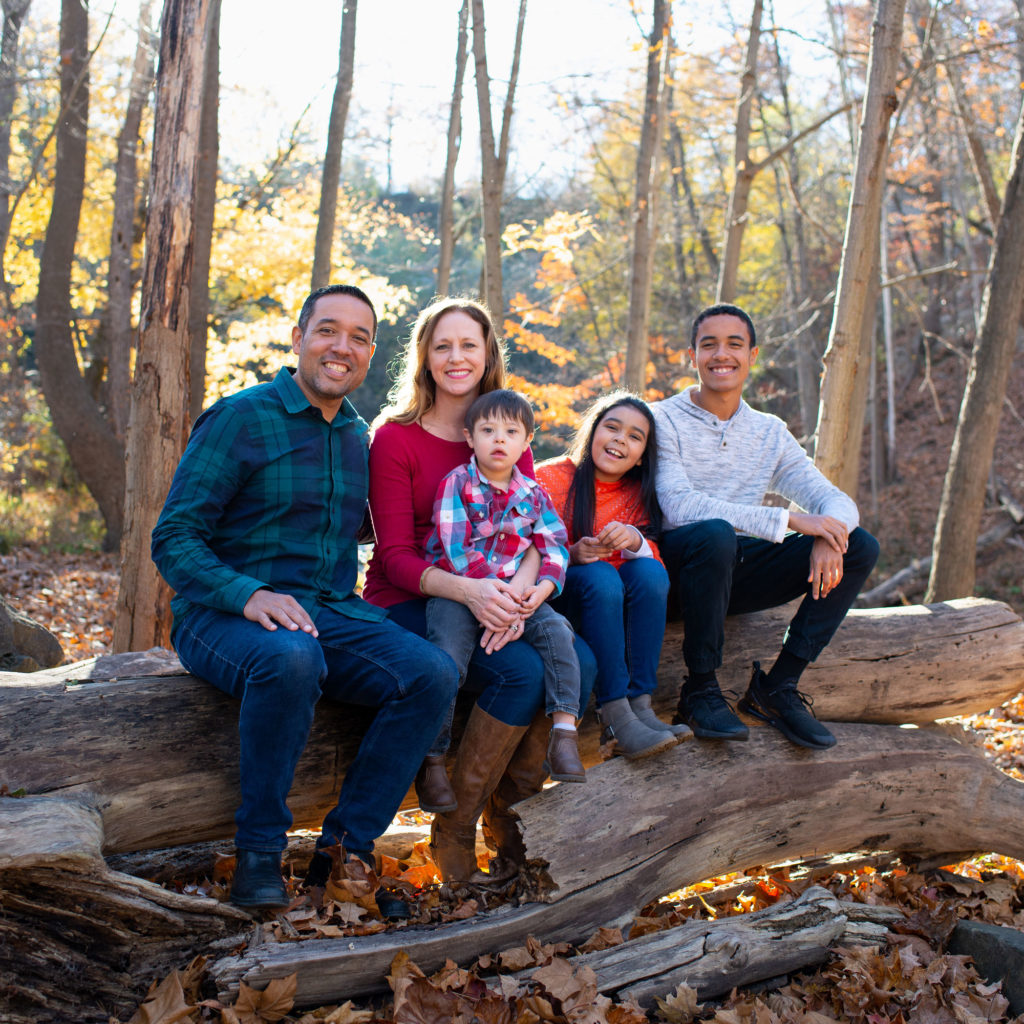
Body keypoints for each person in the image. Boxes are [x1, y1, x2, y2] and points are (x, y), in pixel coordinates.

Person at [151, 284, 458, 912]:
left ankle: (344, 851)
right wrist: (247, 592)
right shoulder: (242, 417)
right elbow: (174, 537)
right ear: (298, 339)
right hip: (222, 612)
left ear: (372, 354)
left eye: (360, 337)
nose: (342, 346)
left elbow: (373, 526)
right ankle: (259, 853)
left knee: (430, 672)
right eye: (328, 330)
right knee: (291, 658)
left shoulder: (355, 435)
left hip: (325, 608)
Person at [364, 297, 594, 884]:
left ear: (488, 353)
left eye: (469, 344)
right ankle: (455, 823)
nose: (457, 357)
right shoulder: (396, 437)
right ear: (425, 357)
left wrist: (519, 594)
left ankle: (509, 816)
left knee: (581, 661)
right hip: (414, 595)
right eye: (443, 345)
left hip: (499, 591)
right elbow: (392, 557)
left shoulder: (505, 427)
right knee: (520, 674)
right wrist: (474, 593)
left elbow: (536, 531)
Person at [651, 303, 880, 750]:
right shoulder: (663, 419)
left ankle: (777, 687)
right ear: (691, 357)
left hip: (735, 571)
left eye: (734, 344)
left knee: (860, 545)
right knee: (714, 533)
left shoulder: (768, 431)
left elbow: (836, 500)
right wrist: (793, 520)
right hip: (674, 575)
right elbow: (678, 507)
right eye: (709, 344)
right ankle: (699, 689)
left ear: (752, 355)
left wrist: (828, 533)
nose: (722, 354)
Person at [425, 389, 585, 786]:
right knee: (447, 654)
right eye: (488, 430)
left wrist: (541, 590)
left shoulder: (534, 494)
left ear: (526, 442)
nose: (499, 439)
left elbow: (555, 547)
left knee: (559, 633)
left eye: (511, 431)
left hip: (516, 595)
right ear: (469, 438)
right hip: (460, 592)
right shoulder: (456, 484)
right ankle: (432, 757)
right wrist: (499, 600)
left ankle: (564, 733)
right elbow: (457, 550)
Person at [537, 392, 686, 760]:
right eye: (613, 427)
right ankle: (615, 716)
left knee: (649, 572)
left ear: (642, 456)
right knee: (601, 576)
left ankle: (642, 708)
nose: (621, 439)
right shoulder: (550, 478)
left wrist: (636, 539)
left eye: (635, 436)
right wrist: (571, 555)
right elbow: (523, 551)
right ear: (593, 432)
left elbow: (654, 573)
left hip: (614, 605)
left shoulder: (639, 495)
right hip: (561, 600)